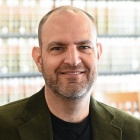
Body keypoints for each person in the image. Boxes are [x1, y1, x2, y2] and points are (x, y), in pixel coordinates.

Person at [0, 5, 140, 140]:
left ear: (98, 55)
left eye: (84, 47)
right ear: (39, 59)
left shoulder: (134, 131)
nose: (73, 60)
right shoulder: (3, 127)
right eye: (57, 48)